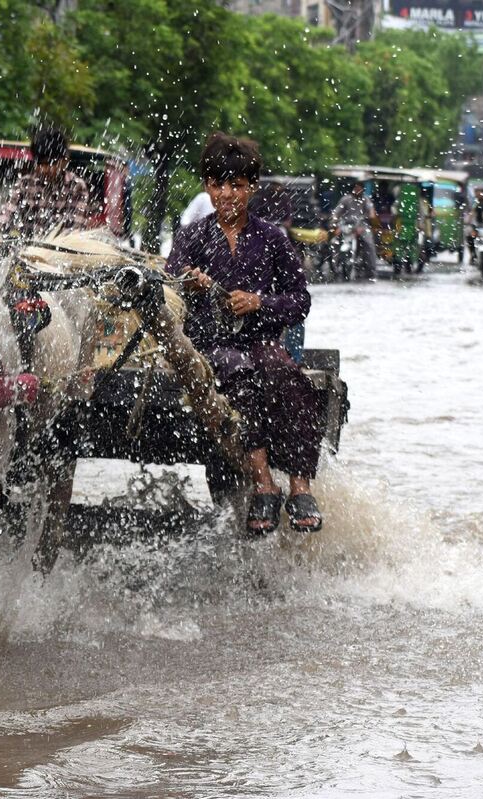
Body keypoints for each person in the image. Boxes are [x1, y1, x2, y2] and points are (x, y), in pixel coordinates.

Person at [165, 132, 324, 535]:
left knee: (285, 374)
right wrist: (188, 281)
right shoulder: (191, 238)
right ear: (207, 187)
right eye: (218, 185)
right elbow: (168, 289)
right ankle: (264, 484)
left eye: (237, 185)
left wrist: (260, 303)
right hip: (210, 346)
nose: (227, 195)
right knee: (238, 372)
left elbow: (300, 301)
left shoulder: (273, 239)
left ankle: (301, 486)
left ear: (251, 188)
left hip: (263, 341)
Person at [0, 125, 93, 238]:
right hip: (27, 248)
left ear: (64, 161)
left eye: (51, 163)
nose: (45, 169)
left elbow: (74, 230)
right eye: (41, 164)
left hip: (61, 250)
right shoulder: (25, 184)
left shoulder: (76, 187)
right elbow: (4, 216)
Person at [331, 180, 378, 274]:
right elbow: (336, 212)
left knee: (369, 243)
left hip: (361, 226)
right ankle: (334, 264)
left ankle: (371, 267)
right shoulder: (346, 199)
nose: (357, 190)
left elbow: (371, 213)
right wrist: (334, 222)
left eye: (359, 189)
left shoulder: (365, 199)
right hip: (346, 226)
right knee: (334, 242)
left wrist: (370, 218)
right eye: (356, 188)